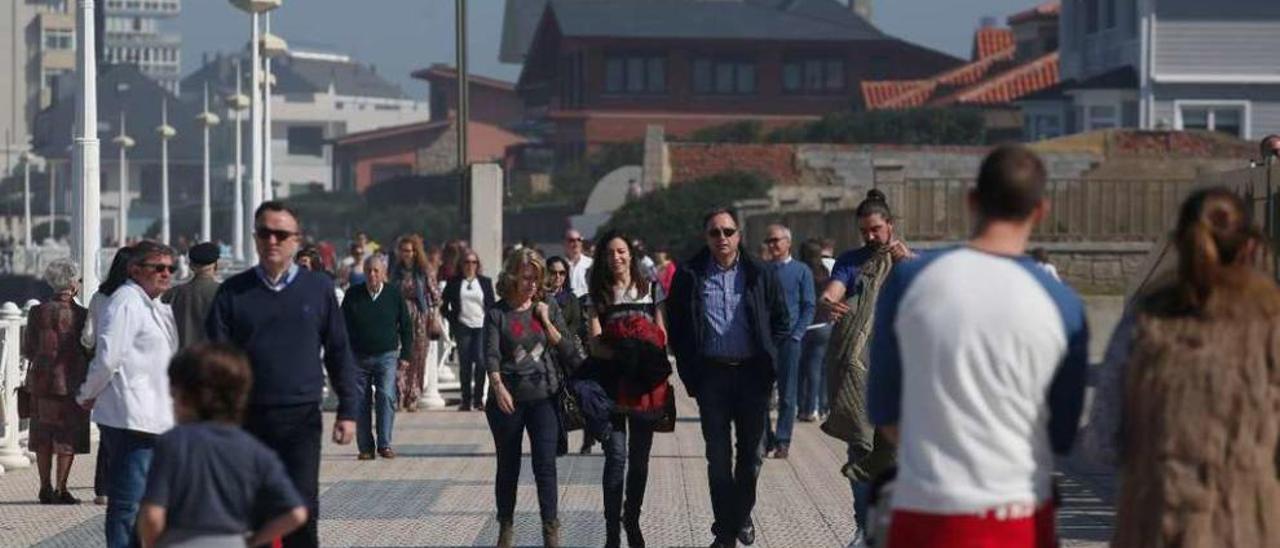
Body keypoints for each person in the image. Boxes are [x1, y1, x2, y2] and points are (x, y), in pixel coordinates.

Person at [868, 145, 1088, 548]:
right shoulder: (1064, 305)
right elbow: (1060, 435)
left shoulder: (910, 281)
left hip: (925, 511)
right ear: (1040, 211)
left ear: (972, 200)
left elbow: (884, 409)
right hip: (1019, 516)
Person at [1086, 188, 1280, 547]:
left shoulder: (1145, 318)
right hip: (1245, 518)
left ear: (1178, 244)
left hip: (1155, 513)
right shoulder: (1271, 321)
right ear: (1250, 247)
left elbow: (1102, 438)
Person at [207, 201, 359, 548]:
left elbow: (338, 350)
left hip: (301, 416)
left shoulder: (318, 289)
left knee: (301, 507)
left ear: (296, 240)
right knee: (252, 510)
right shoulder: (233, 292)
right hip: (246, 419)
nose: (272, 240)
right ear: (254, 238)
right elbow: (214, 362)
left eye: (281, 234)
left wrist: (349, 411)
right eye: (265, 233)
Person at [667, 208, 790, 548]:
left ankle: (740, 513)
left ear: (739, 235)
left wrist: (771, 361)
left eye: (728, 231)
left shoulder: (759, 273)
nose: (721, 238)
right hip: (713, 377)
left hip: (752, 376)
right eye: (714, 233)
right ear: (705, 237)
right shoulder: (690, 275)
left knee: (751, 456)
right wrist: (690, 371)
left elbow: (782, 319)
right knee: (718, 458)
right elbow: (676, 326)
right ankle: (725, 530)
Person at [137, 343, 308, 548]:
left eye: (173, 394)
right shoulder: (255, 450)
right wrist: (251, 541)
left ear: (186, 397)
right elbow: (296, 513)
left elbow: (152, 515)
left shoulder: (173, 443)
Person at [818, 189, 913, 547]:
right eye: (865, 232)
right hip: (859, 373)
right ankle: (864, 528)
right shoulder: (852, 260)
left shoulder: (911, 260)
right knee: (860, 451)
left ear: (890, 225)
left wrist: (911, 262)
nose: (870, 237)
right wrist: (828, 302)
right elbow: (834, 290)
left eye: (876, 229)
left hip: (901, 374)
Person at [77, 241, 180, 548]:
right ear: (135, 270)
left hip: (155, 418)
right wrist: (87, 393)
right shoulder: (125, 302)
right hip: (131, 419)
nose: (165, 273)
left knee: (150, 504)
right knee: (127, 505)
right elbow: (107, 357)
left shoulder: (155, 305)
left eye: (170, 268)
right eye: (157, 267)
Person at [578, 231, 672, 548]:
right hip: (611, 386)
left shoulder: (650, 289)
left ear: (630, 254)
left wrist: (638, 349)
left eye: (620, 252)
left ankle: (632, 520)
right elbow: (594, 345)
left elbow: (661, 336)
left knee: (640, 459)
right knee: (616, 456)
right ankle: (611, 531)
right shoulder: (598, 294)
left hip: (646, 386)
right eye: (609, 254)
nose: (615, 258)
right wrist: (626, 351)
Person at [485, 249, 581, 548]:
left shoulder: (547, 307)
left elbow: (569, 350)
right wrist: (497, 385)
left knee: (545, 467)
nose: (531, 284)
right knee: (508, 465)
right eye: (526, 277)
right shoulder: (497, 313)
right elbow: (490, 354)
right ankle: (505, 528)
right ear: (512, 276)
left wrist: (546, 320)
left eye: (536, 279)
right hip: (508, 400)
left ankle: (550, 531)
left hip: (545, 398)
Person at [23, 259, 91, 505]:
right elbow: (87, 348)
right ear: (73, 283)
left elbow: (28, 348)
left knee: (43, 436)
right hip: (71, 382)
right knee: (67, 436)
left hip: (41, 383)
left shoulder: (36, 312)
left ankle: (44, 487)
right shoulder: (81, 315)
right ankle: (62, 488)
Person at [341, 254, 413, 460]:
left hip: (386, 356)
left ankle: (385, 444)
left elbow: (406, 326)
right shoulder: (353, 295)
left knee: (386, 396)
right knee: (361, 402)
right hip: (358, 357)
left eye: (376, 271)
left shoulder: (393, 294)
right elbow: (341, 326)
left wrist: (406, 355)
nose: (372, 275)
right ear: (364, 273)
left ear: (384, 274)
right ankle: (365, 447)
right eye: (368, 271)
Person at [81, 246, 135, 506]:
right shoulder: (139, 298)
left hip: (104, 369)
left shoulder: (99, 297)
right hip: (134, 372)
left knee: (108, 431)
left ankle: (103, 488)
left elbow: (88, 337)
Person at [762, 225, 815, 460]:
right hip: (765, 341)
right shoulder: (762, 271)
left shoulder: (802, 271)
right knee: (760, 393)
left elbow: (809, 305)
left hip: (789, 341)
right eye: (768, 241)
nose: (771, 245)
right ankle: (765, 438)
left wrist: (797, 333)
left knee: (787, 394)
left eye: (775, 240)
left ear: (788, 242)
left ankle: (783, 441)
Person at [441, 250, 496, 411]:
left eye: (474, 262)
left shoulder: (485, 282)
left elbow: (491, 304)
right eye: (467, 262)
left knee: (480, 361)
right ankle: (465, 400)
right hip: (463, 326)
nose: (470, 266)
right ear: (461, 264)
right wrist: (453, 319)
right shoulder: (454, 282)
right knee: (465, 364)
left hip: (481, 326)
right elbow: (444, 306)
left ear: (478, 265)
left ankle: (478, 399)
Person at [389, 234, 437, 412]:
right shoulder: (396, 271)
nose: (406, 254)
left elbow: (435, 295)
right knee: (400, 356)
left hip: (419, 315)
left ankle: (413, 396)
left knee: (417, 357)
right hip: (399, 315)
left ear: (415, 252)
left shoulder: (424, 271)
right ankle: (399, 395)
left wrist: (434, 316)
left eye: (409, 251)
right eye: (403, 251)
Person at [796, 239, 831, 424]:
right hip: (825, 325)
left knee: (803, 369)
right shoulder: (825, 272)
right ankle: (822, 407)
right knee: (821, 369)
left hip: (806, 325)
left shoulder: (802, 271)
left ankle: (806, 408)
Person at [162, 242, 220, 351]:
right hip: (214, 362)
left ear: (191, 266)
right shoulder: (226, 294)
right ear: (217, 265)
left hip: (180, 361)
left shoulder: (172, 294)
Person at [564, 229, 594, 299]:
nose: (576, 243)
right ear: (565, 243)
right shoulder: (560, 265)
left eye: (579, 240)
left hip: (586, 304)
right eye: (572, 240)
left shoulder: (591, 264)